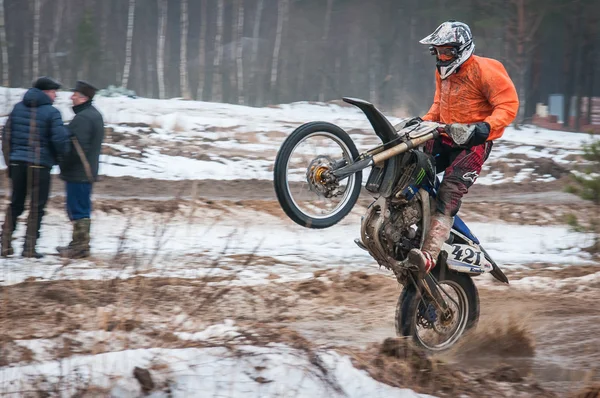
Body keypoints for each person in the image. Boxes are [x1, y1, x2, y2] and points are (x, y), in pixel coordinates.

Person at [405, 20, 519, 276]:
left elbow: (508, 105)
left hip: (473, 144)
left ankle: (429, 254)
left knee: (449, 193)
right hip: (446, 134)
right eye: (438, 51)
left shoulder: (485, 70)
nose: (442, 57)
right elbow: (439, 106)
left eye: (447, 51)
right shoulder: (441, 72)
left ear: (462, 49)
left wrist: (485, 128)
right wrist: (423, 121)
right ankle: (404, 221)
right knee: (410, 160)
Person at [1, 77, 71, 258]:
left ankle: (5, 244)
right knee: (36, 206)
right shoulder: (52, 112)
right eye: (54, 92)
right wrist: (60, 158)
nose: (56, 96)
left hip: (17, 163)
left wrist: (11, 161)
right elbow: (59, 140)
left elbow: (6, 136)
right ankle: (29, 247)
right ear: (46, 92)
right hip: (40, 165)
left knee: (16, 203)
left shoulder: (17, 108)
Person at [56, 81, 104, 258]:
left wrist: (63, 163)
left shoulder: (84, 118)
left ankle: (80, 247)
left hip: (79, 171)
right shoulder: (92, 115)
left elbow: (76, 148)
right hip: (84, 170)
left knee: (78, 208)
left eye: (75, 94)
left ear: (83, 98)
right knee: (79, 207)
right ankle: (78, 244)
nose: (71, 97)